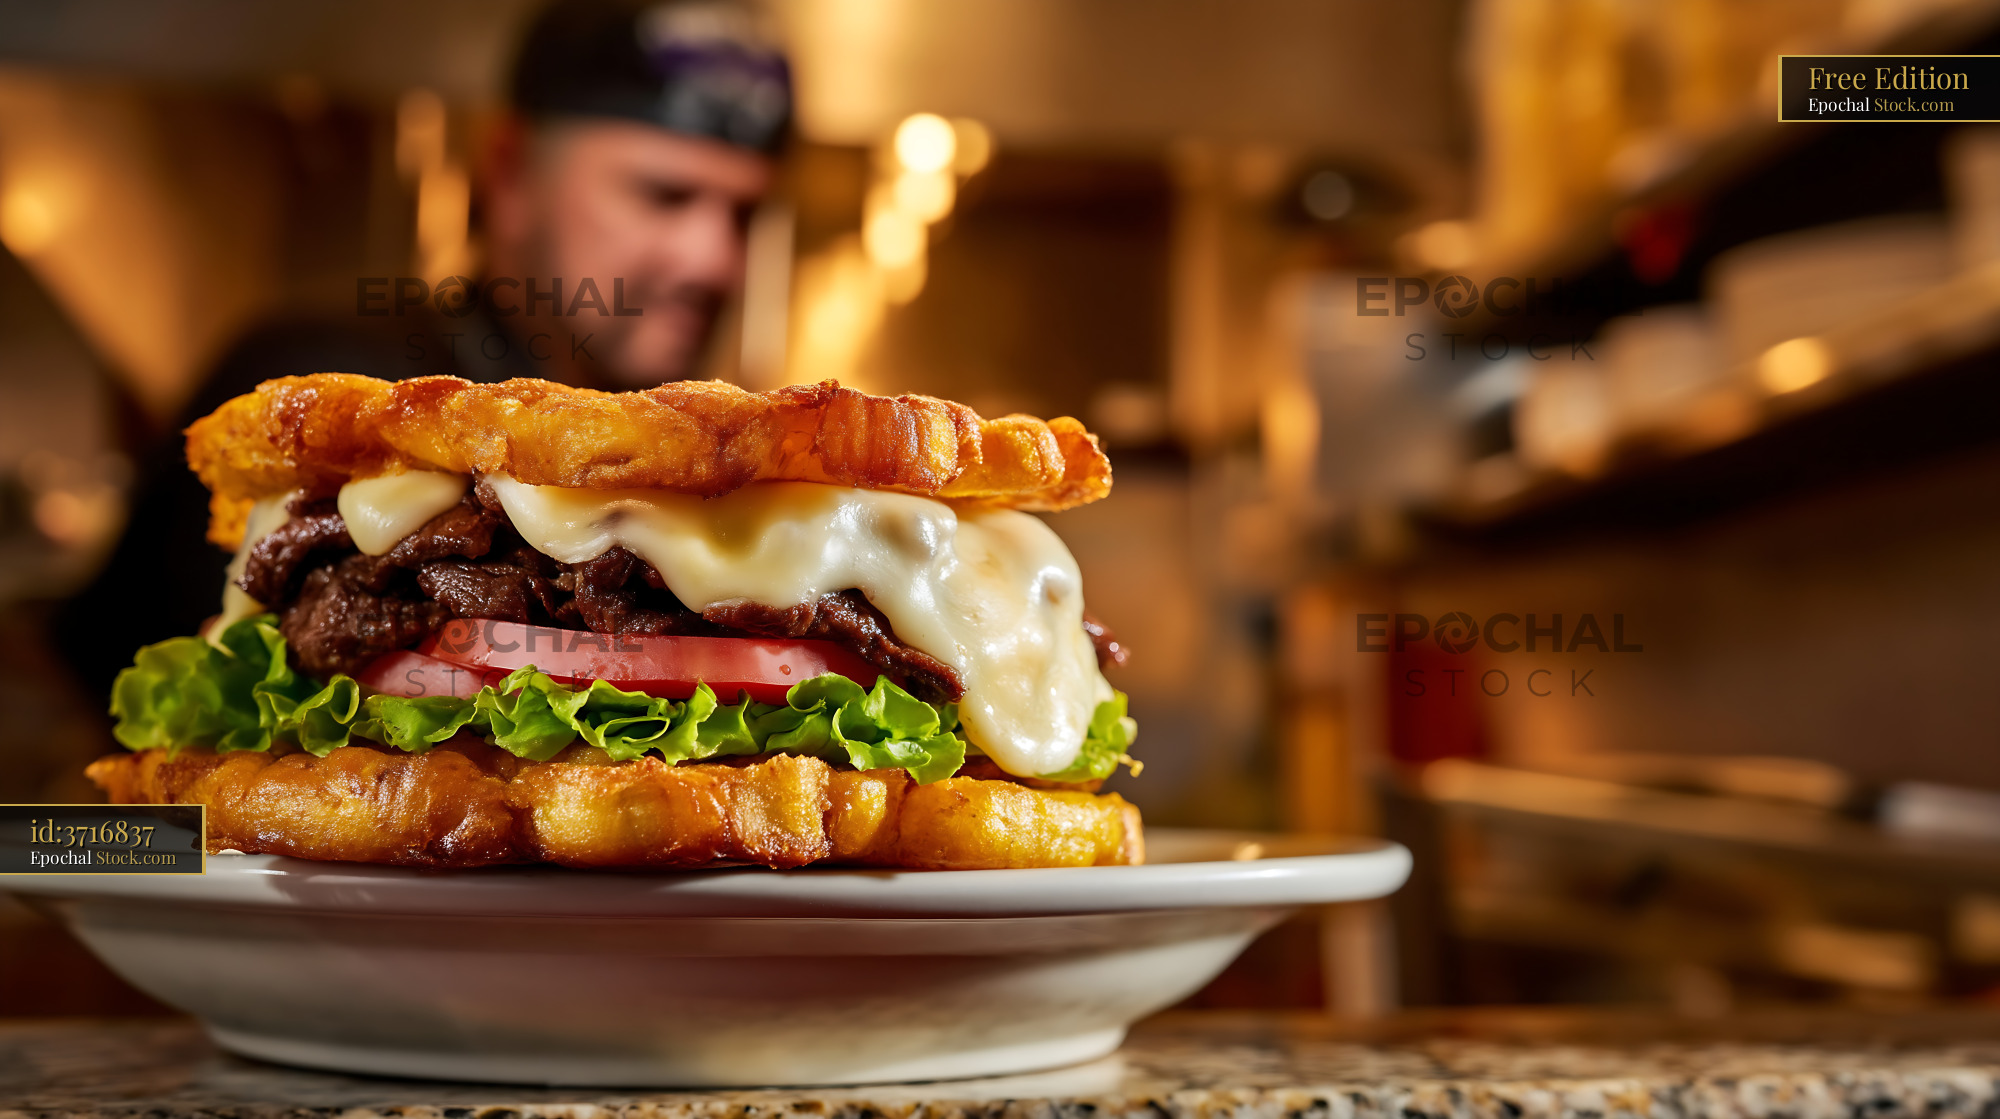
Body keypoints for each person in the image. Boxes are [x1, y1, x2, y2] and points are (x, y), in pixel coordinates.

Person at [53, 0, 791, 696]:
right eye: (664, 195)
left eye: (744, 214)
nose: (714, 260)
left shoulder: (713, 466)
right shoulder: (322, 380)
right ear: (509, 172)